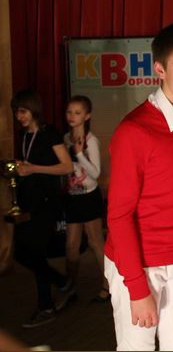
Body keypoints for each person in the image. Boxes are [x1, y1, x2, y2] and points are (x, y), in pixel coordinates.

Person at [104, 24, 173, 351]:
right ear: (160, 70)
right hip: (138, 263)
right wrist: (137, 288)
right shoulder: (134, 131)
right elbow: (119, 216)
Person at [11, 89, 74, 328]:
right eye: (16, 112)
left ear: (33, 109)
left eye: (23, 111)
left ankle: (46, 306)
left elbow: (66, 167)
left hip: (47, 202)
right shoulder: (24, 135)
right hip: (28, 202)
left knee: (35, 252)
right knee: (20, 252)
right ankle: (63, 282)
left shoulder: (49, 133)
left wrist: (34, 168)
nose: (19, 116)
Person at [63, 95, 108, 302]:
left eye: (77, 113)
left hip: (89, 197)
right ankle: (70, 286)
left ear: (87, 115)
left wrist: (80, 154)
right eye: (69, 112)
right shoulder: (65, 138)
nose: (72, 116)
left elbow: (96, 173)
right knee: (71, 246)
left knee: (95, 242)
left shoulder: (91, 140)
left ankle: (108, 284)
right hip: (72, 197)